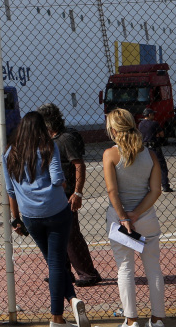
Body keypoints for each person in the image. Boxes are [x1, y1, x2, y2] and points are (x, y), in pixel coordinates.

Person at [5, 112, 89, 327]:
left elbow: (11, 191)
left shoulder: (10, 154)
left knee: (54, 263)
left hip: (30, 215)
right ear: (42, 128)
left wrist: (16, 219)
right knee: (57, 262)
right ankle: (57, 318)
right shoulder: (49, 147)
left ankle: (71, 301)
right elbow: (58, 179)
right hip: (56, 211)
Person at [102, 109, 166, 327]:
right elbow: (155, 190)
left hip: (119, 219)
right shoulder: (149, 154)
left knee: (125, 268)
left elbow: (113, 191)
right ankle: (157, 319)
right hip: (146, 216)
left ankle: (131, 320)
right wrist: (137, 213)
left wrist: (124, 217)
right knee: (153, 268)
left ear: (112, 130)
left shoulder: (110, 154)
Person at [37, 103, 102, 287]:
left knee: (71, 236)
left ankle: (88, 273)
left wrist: (78, 192)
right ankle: (64, 272)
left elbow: (79, 165)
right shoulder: (51, 140)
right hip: (55, 195)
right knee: (57, 236)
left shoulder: (65, 140)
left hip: (66, 194)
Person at [137, 109, 172, 193]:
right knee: (162, 167)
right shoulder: (154, 123)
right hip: (154, 147)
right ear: (149, 115)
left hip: (144, 148)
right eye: (152, 114)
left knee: (147, 168)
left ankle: (148, 186)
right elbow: (162, 134)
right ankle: (165, 185)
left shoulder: (140, 124)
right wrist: (157, 135)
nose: (153, 116)